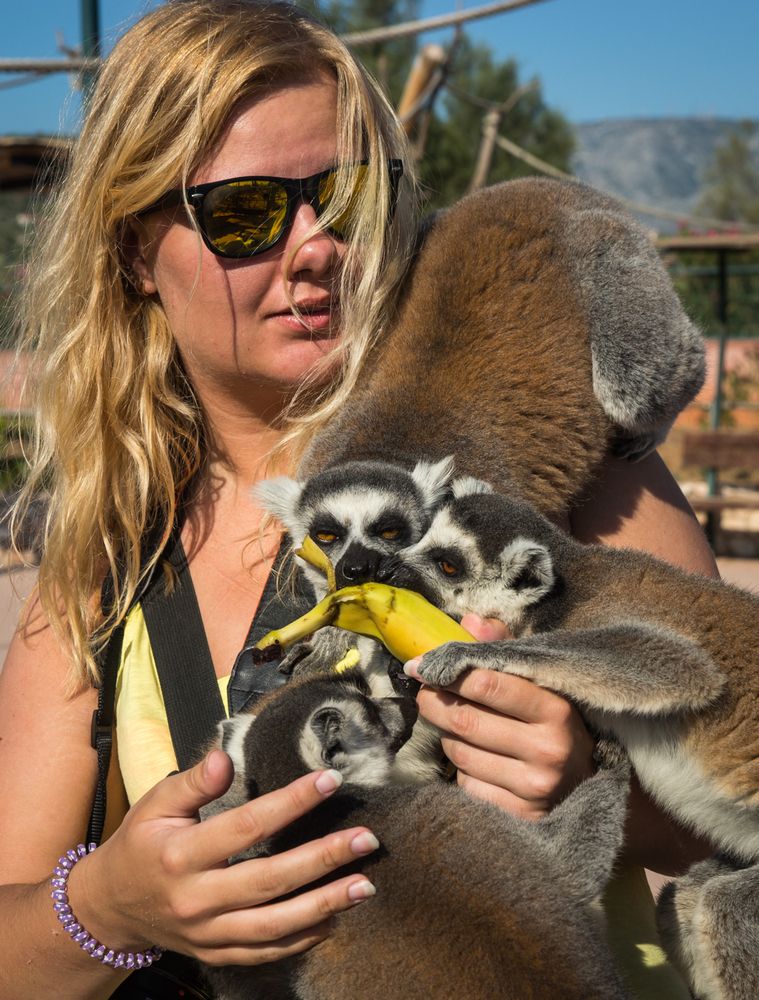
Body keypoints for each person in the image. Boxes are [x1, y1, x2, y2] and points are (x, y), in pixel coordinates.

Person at [0, 1, 717, 997]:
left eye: (346, 197)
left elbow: (740, 767)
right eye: (244, 212)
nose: (316, 246)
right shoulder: (111, 561)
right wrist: (110, 907)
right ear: (133, 250)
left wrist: (593, 779)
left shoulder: (554, 459)